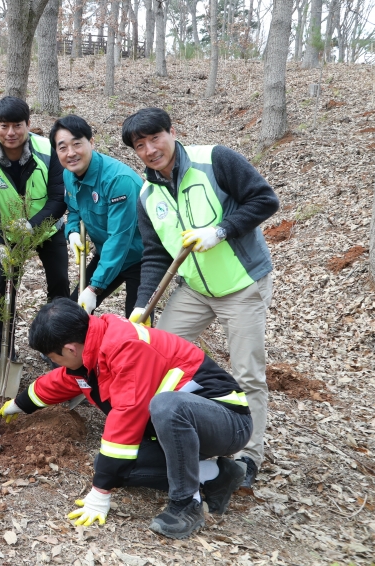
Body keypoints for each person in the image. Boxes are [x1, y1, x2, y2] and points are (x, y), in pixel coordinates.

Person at [0, 298, 252, 539]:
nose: (56, 364)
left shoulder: (126, 346)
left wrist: (100, 492)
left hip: (227, 421)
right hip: (183, 429)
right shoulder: (89, 352)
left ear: (69, 349)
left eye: (55, 358)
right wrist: (18, 405)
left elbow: (127, 413)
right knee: (116, 466)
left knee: (166, 406)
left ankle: (186, 504)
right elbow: (61, 381)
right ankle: (218, 474)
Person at [121, 107, 279, 488]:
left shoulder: (215, 161)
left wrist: (222, 230)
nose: (150, 149)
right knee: (159, 356)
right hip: (194, 290)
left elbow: (264, 199)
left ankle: (247, 456)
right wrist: (144, 305)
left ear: (173, 131)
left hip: (242, 284)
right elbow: (156, 253)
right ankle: (181, 427)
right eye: (140, 145)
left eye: (155, 138)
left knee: (247, 372)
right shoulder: (147, 194)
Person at [0, 96, 69, 357]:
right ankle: (3, 346)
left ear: (28, 124)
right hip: (10, 236)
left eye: (17, 125)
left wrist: (33, 225)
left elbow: (59, 198)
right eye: (4, 126)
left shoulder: (49, 150)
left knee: (59, 285)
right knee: (5, 287)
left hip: (48, 229)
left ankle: (59, 346)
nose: (11, 133)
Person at [48, 115, 144, 317]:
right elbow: (73, 207)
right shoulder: (69, 174)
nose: (71, 153)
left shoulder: (118, 181)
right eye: (63, 147)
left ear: (91, 142)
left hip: (141, 258)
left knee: (137, 323)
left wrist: (95, 287)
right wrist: (72, 231)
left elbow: (120, 238)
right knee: (72, 311)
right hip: (106, 253)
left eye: (77, 144)